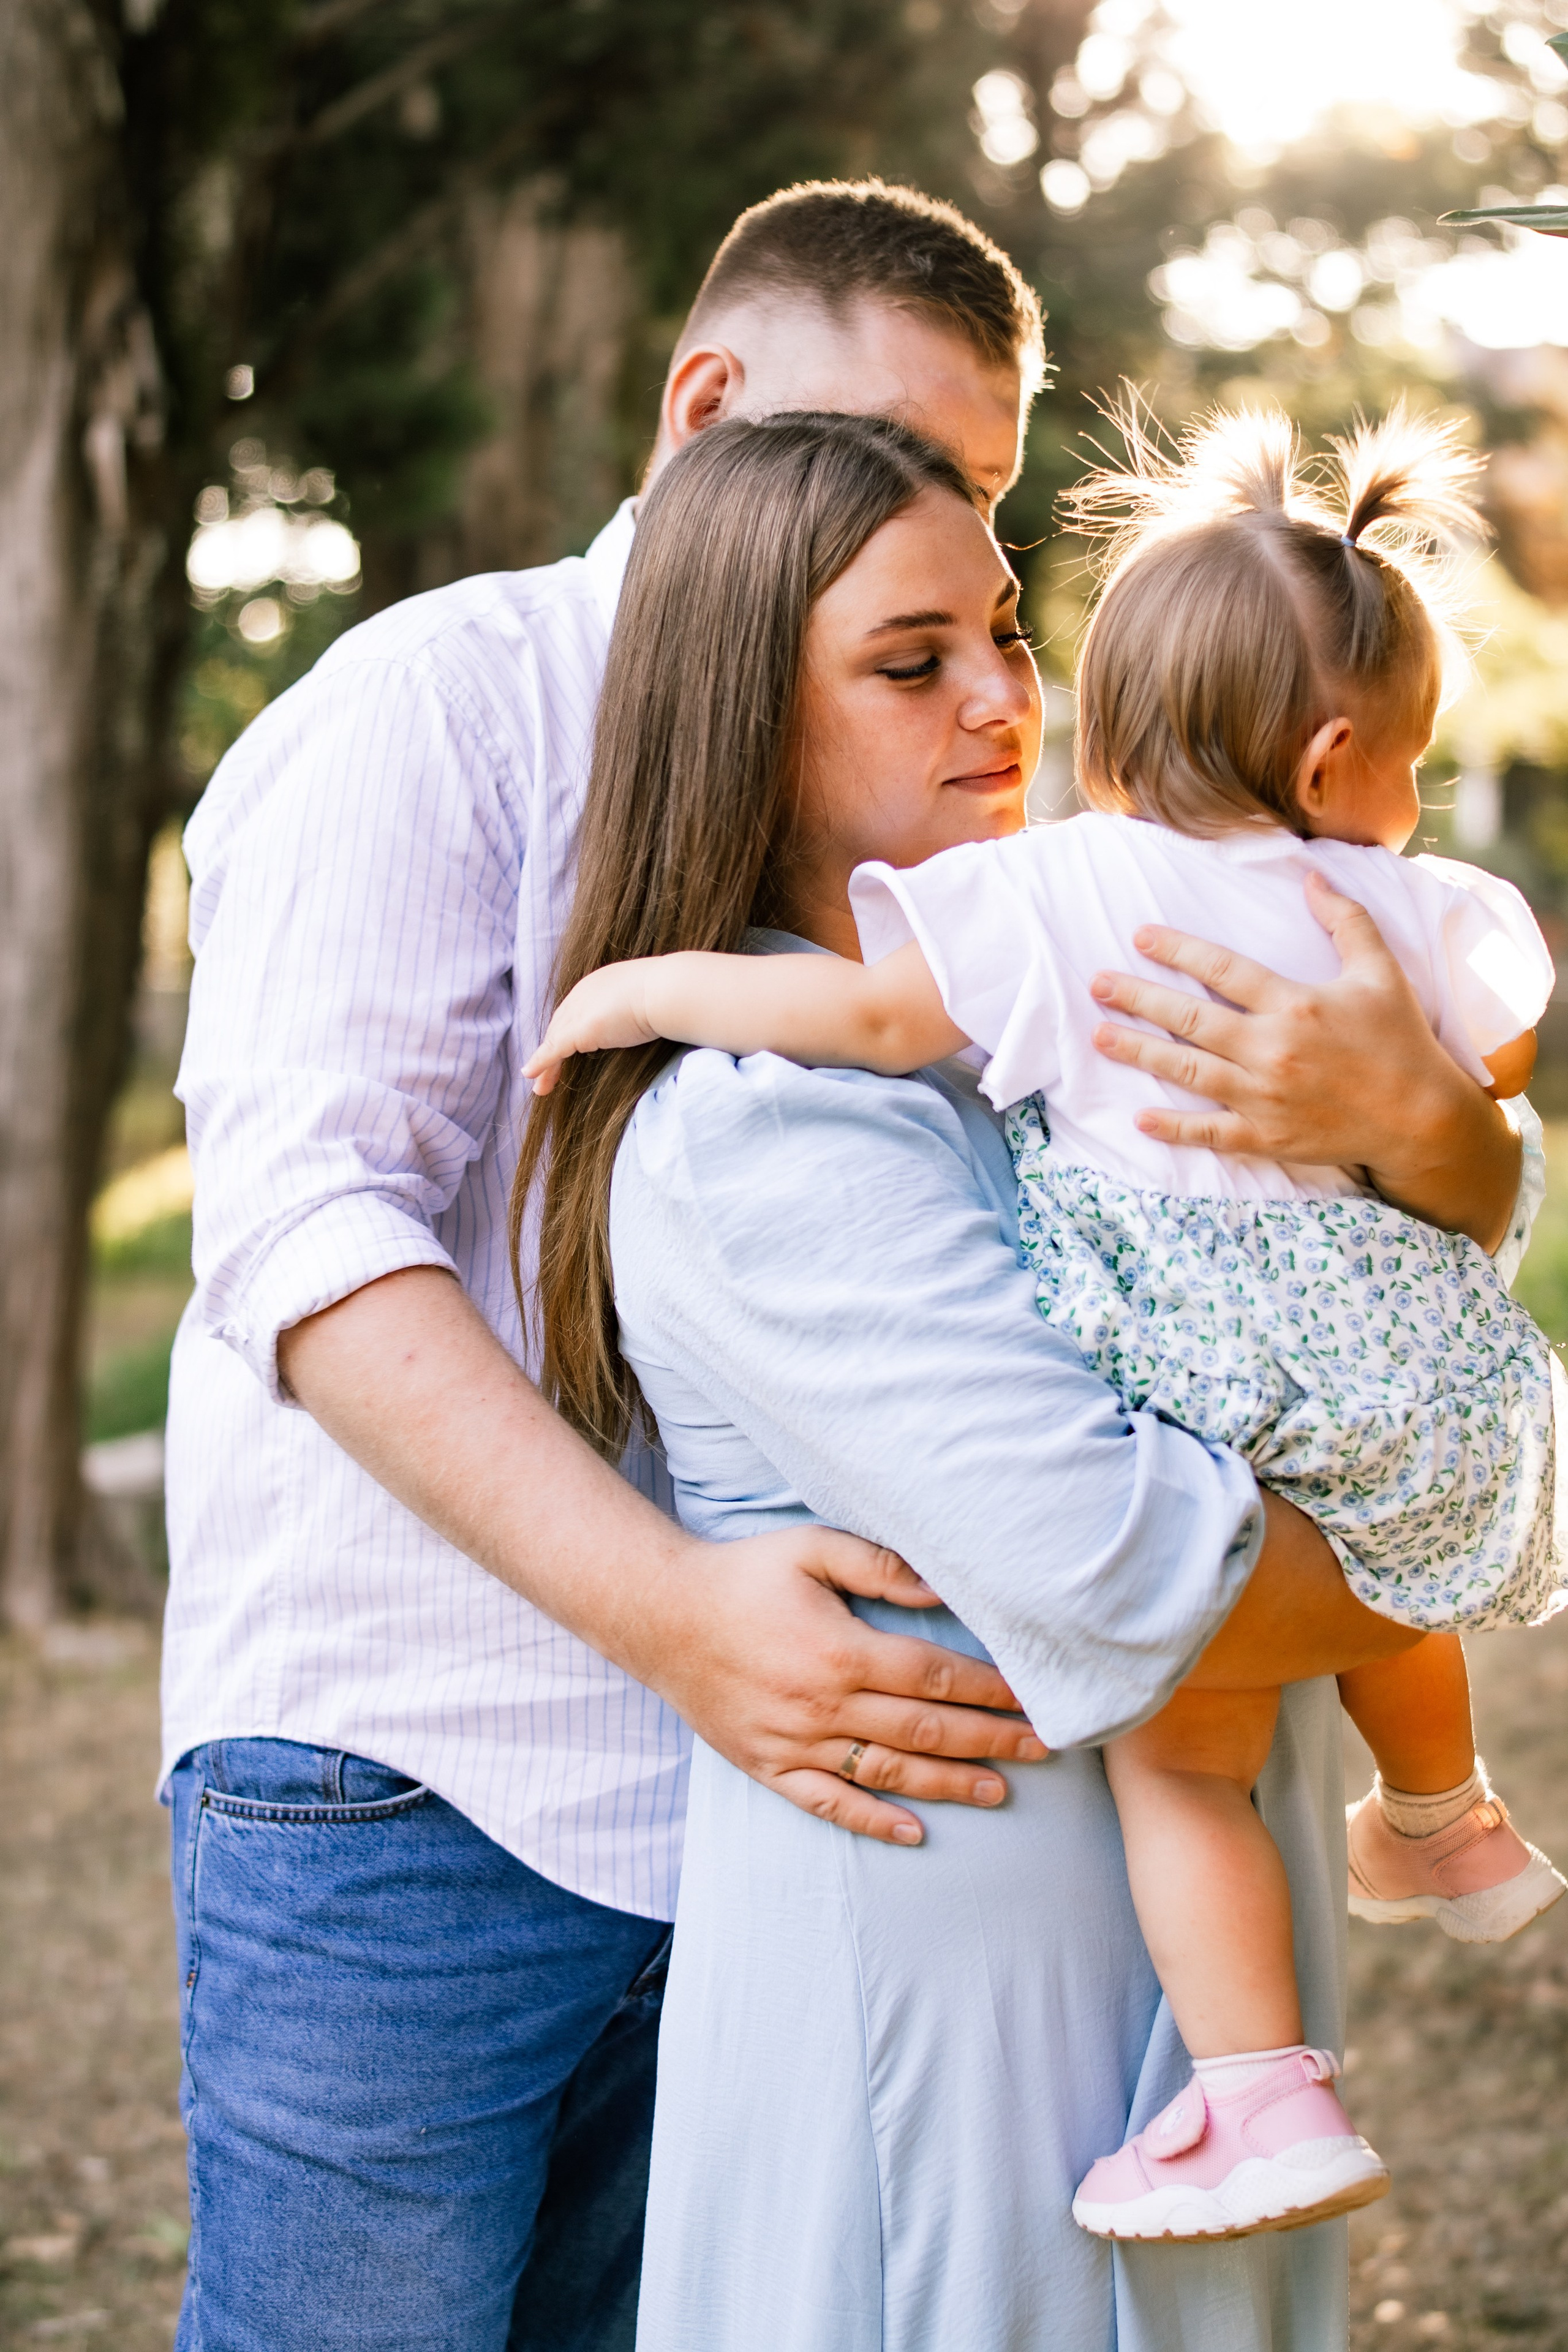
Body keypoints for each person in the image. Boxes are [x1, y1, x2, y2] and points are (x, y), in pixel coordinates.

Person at [514, 407, 1547, 2348]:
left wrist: (1443, 1138)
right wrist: (1467, 1528)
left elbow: (1379, 1272)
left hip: (1145, 2012)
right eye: (915, 662)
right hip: (952, 2042)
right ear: (742, 707)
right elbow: (1138, 1575)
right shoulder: (762, 1131)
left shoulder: (1074, 1023)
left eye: (1006, 631)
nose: (1003, 697)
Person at [162, 183, 1055, 2352]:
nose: (913, 531)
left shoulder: (913, 765)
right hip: (417, 1791)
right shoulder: (437, 710)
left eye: (974, 505)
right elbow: (307, 1232)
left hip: (766, 1826)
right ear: (706, 405)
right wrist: (679, 1619)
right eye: (893, 456)